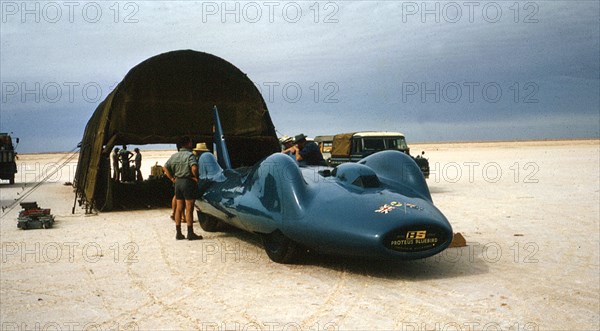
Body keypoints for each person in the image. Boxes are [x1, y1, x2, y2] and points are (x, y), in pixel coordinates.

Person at [162, 136, 202, 240]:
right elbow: (194, 167)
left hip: (178, 182)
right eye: (190, 142)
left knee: (179, 209)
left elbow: (165, 167)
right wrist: (196, 177)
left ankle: (178, 233)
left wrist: (172, 178)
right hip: (188, 182)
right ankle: (190, 233)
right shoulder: (190, 155)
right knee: (189, 208)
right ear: (188, 143)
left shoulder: (174, 156)